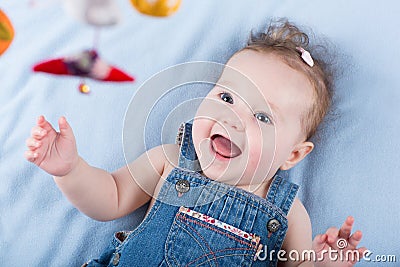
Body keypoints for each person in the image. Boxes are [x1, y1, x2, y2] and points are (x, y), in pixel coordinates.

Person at [25, 19, 366, 266]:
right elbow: (110, 197)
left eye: (262, 118)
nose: (232, 119)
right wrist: (70, 170)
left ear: (293, 154)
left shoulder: (288, 212)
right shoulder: (171, 161)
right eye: (227, 97)